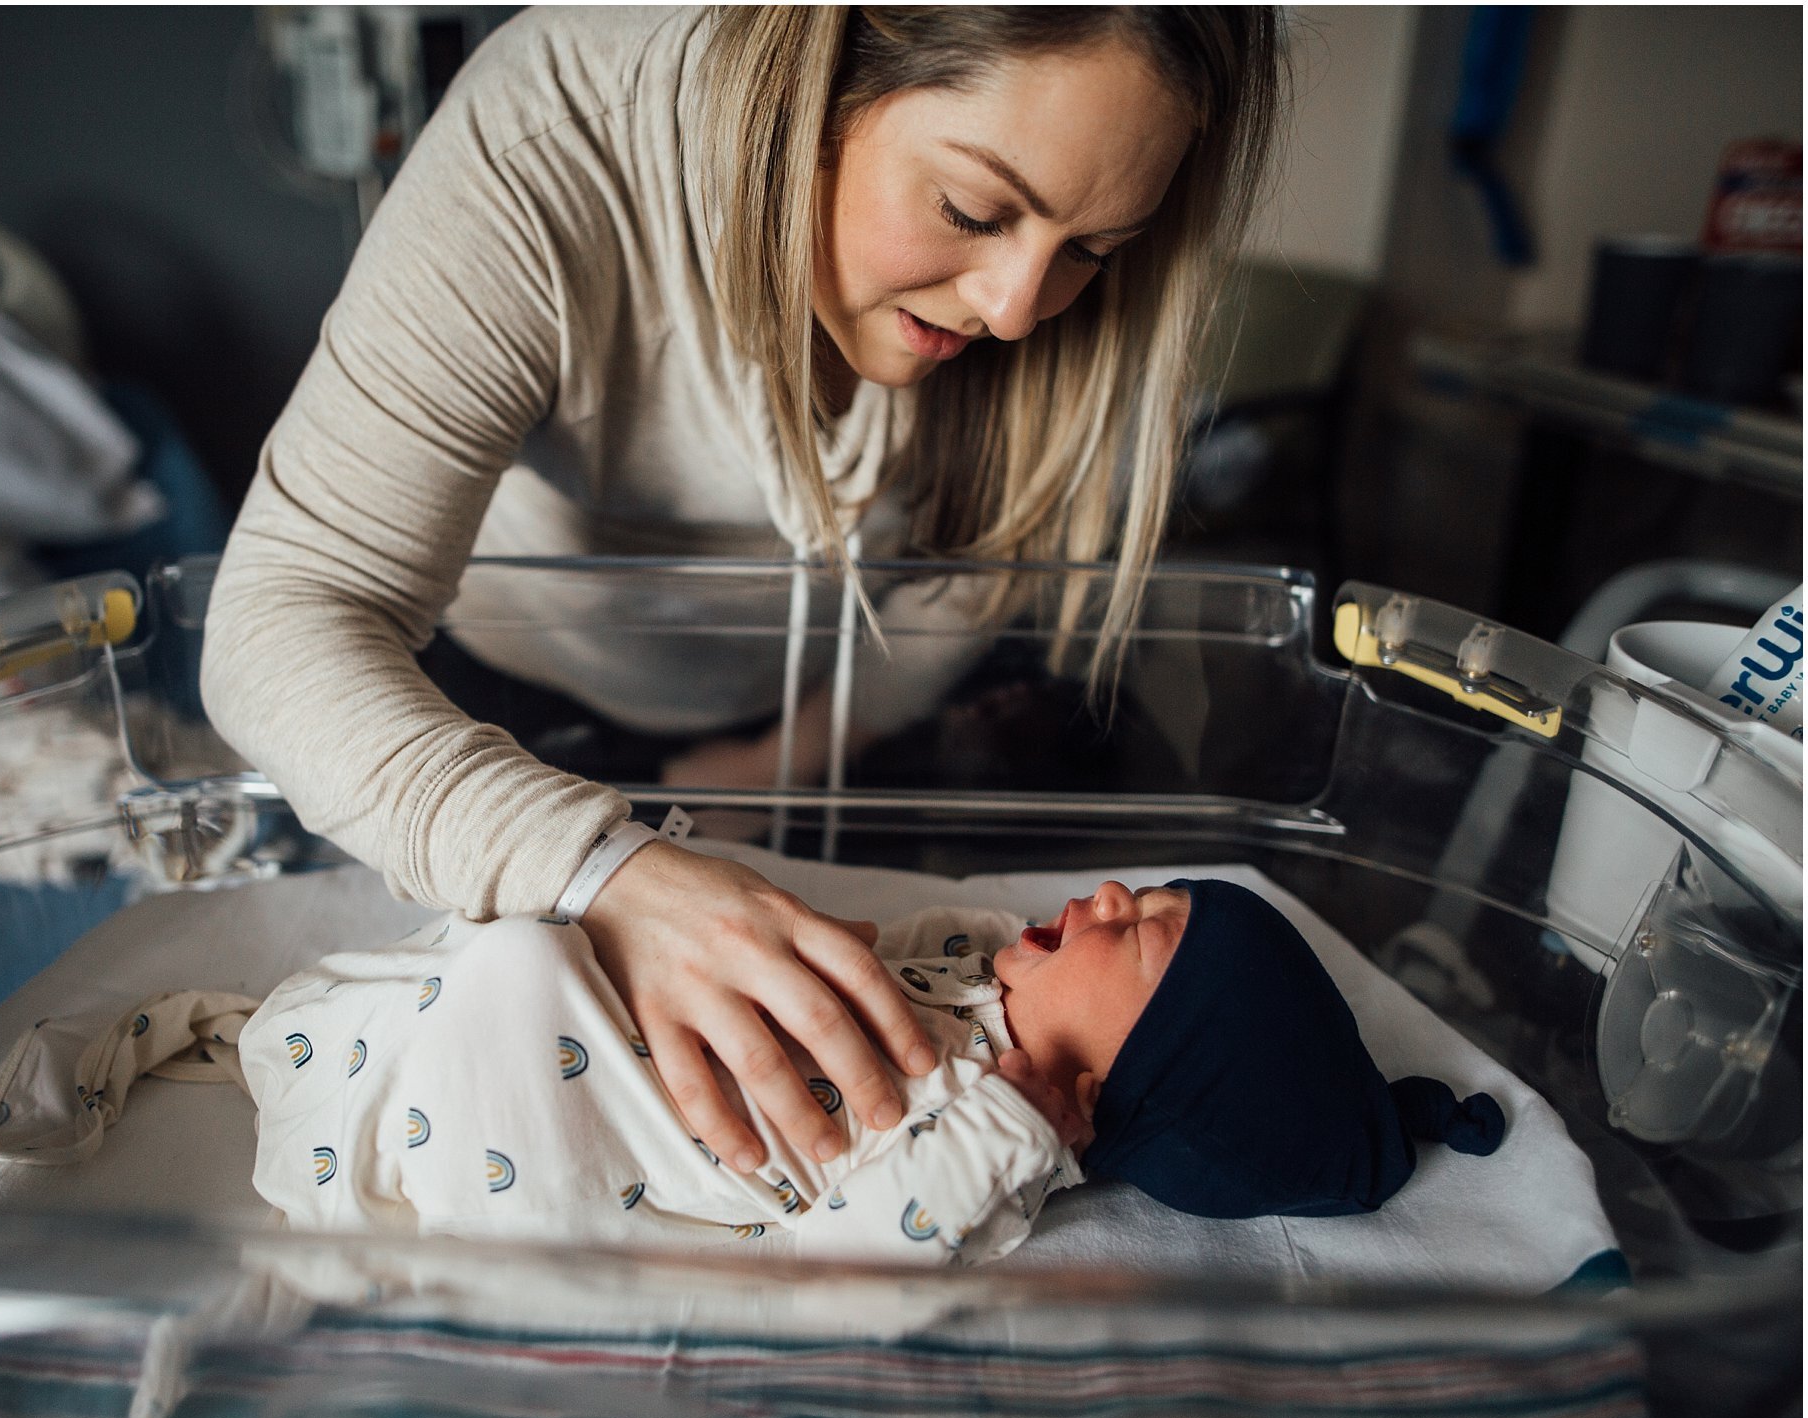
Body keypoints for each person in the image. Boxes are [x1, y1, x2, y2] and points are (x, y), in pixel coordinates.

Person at [201, 8, 1286, 1188]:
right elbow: (279, 622)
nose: (1018, 307)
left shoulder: (1037, 305)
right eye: (972, 211)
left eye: (1094, 250)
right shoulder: (556, 143)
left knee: (1095, 740)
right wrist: (600, 863)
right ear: (817, 77)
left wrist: (776, 764)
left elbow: (980, 555)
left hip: (837, 696)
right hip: (511, 714)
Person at [230, 878, 1505, 1265]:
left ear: (1151, 1068)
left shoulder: (994, 1144)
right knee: (525, 940)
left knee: (513, 977)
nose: (1110, 891)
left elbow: (847, 1262)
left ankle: (421, 1127)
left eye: (1147, 928)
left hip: (601, 1143)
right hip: (632, 1031)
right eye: (1150, 887)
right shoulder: (982, 968)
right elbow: (847, 957)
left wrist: (1007, 1128)